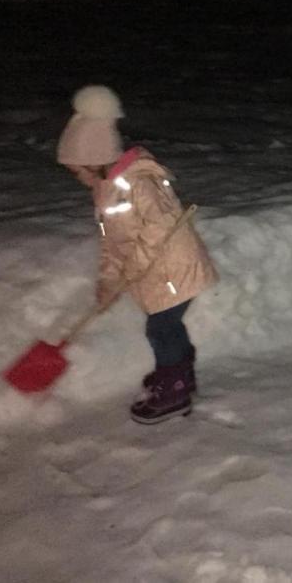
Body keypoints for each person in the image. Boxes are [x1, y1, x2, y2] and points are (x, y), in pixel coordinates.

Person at [56, 85, 217, 424]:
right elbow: (110, 241)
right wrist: (109, 281)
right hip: (155, 271)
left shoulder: (139, 184)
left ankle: (174, 387)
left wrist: (135, 268)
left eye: (78, 170)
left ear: (96, 160)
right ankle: (179, 373)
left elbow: (160, 230)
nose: (76, 177)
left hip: (174, 270)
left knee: (161, 329)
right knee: (165, 327)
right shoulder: (105, 191)